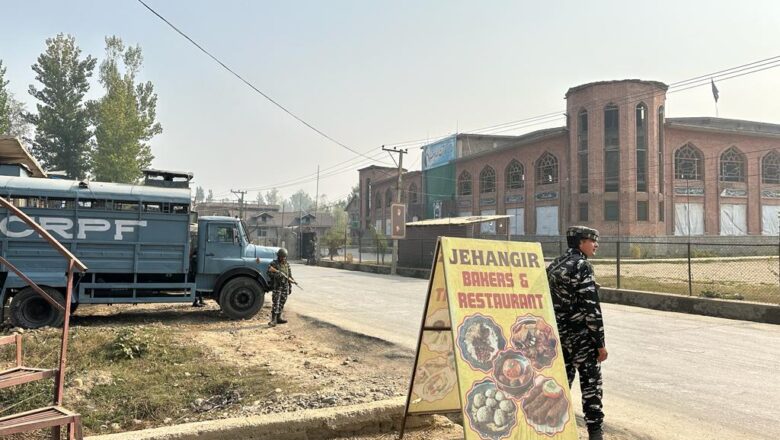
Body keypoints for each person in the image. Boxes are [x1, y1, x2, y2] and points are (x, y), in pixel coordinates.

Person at [546, 225, 608, 440]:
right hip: (581, 338)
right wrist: (599, 343)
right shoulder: (582, 265)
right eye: (593, 240)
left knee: (561, 384)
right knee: (591, 386)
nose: (596, 245)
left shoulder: (555, 264)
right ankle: (595, 433)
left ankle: (553, 430)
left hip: (559, 337)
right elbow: (591, 308)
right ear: (581, 242)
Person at [267, 247, 294, 327]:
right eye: (281, 256)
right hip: (277, 286)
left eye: (284, 257)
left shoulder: (287, 264)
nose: (283, 258)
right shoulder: (274, 264)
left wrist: (290, 285)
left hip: (285, 286)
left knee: (282, 302)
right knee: (276, 302)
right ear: (278, 256)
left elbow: (289, 276)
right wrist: (278, 275)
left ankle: (279, 318)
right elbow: (269, 272)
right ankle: (273, 320)